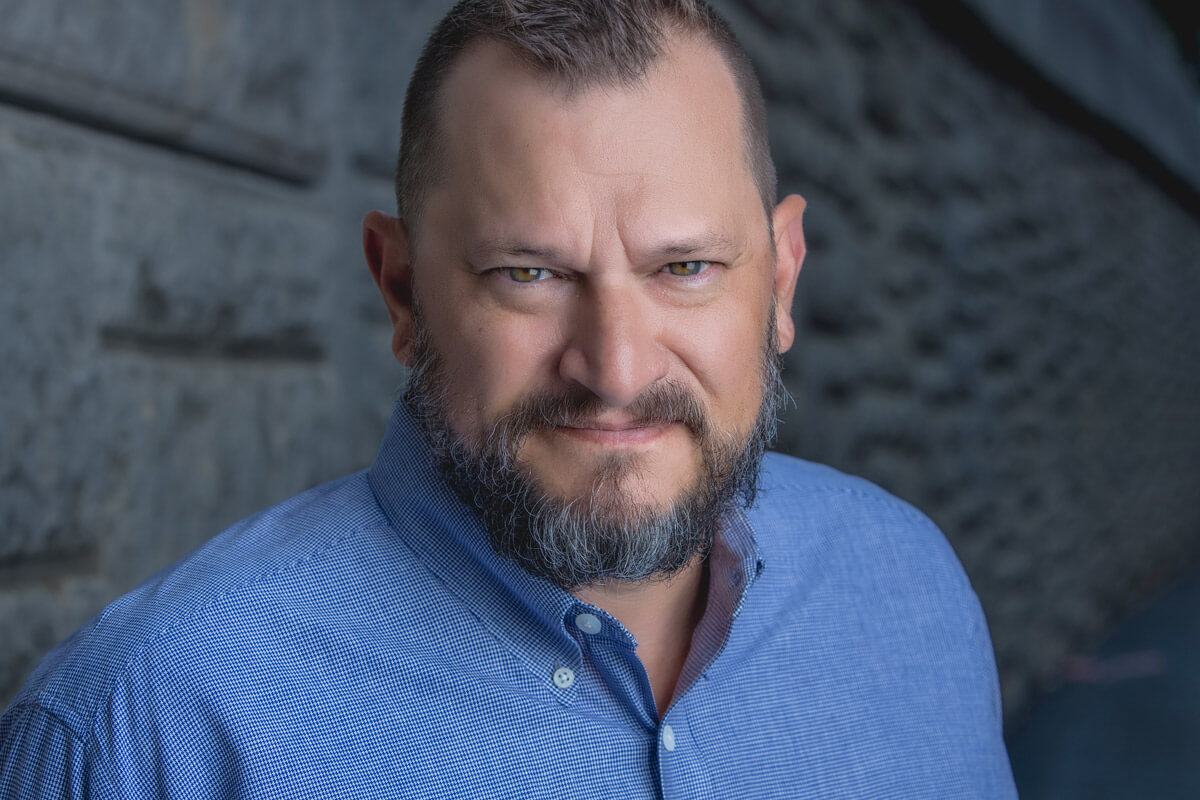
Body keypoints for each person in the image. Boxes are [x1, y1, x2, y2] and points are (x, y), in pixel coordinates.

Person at [0, 1, 1016, 796]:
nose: (615, 368)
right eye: (528, 274)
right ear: (401, 289)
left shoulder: (909, 589)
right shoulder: (136, 728)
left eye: (687, 267)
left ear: (783, 279)